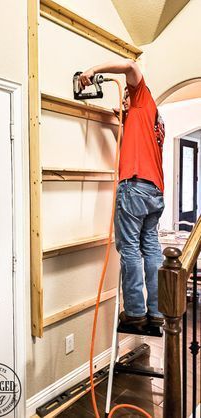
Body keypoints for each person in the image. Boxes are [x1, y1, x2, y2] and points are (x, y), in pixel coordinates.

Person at [79, 59, 165, 330]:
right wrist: (124, 118)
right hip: (154, 192)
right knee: (151, 248)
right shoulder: (150, 119)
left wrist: (92, 70)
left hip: (135, 187)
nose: (125, 97)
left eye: (127, 94)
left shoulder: (142, 98)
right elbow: (132, 144)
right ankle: (157, 313)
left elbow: (130, 66)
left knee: (129, 249)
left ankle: (136, 313)